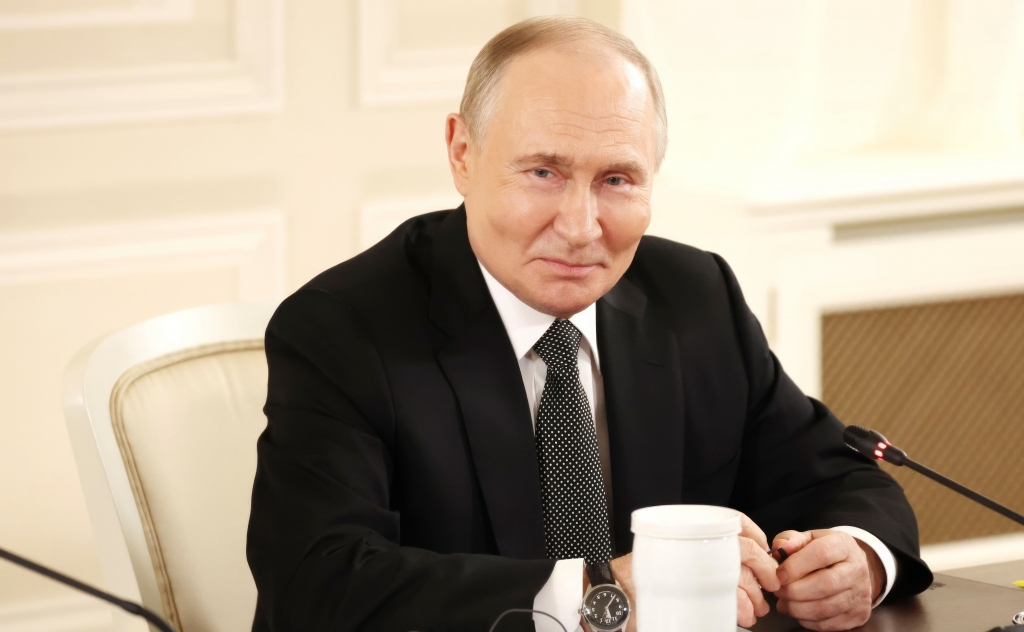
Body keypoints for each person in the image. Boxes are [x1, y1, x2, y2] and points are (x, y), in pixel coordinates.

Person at [246, 16, 932, 632]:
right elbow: (317, 585)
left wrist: (858, 560)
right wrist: (601, 594)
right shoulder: (342, 329)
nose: (580, 227)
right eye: (543, 172)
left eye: (617, 180)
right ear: (462, 153)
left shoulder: (695, 296)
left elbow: (840, 482)